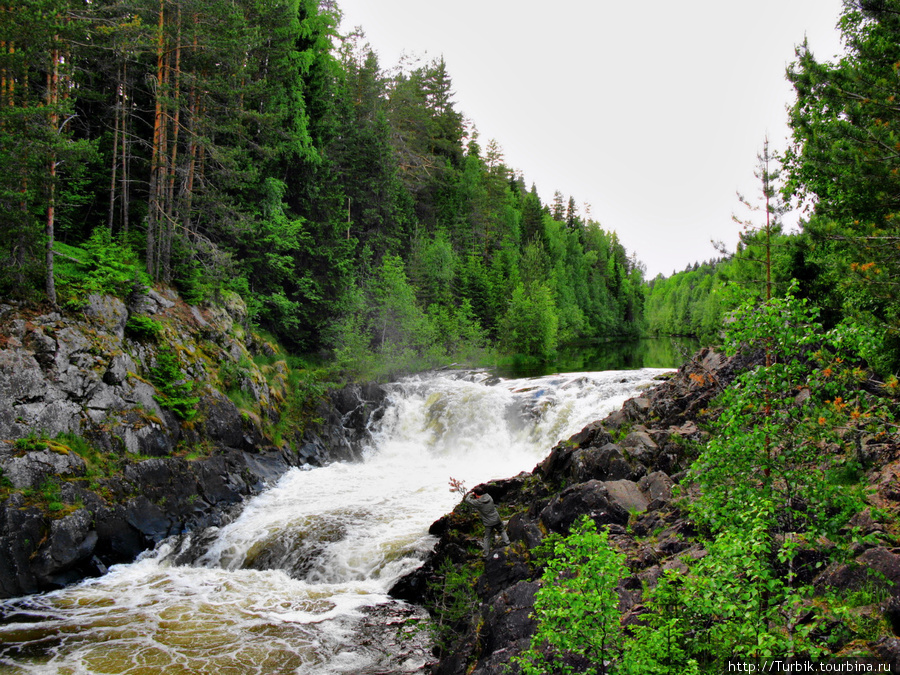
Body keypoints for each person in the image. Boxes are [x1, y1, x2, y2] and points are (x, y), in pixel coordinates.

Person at [464, 486, 510, 557]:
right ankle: (507, 543)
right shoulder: (489, 497)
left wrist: (471, 494)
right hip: (497, 518)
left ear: (476, 494)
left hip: (489, 523)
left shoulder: (478, 502)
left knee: (487, 537)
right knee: (501, 530)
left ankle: (486, 553)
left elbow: (467, 500)